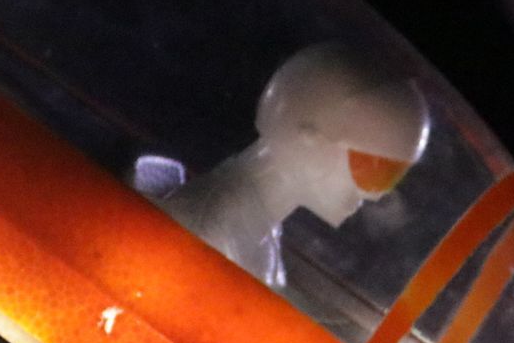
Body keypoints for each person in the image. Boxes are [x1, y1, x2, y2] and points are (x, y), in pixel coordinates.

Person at [148, 43, 430, 288]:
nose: (376, 195)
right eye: (374, 170)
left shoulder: (250, 227)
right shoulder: (209, 228)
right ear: (310, 140)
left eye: (392, 176)